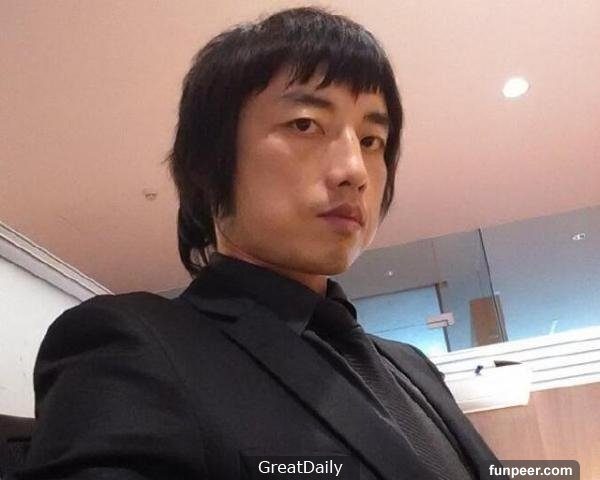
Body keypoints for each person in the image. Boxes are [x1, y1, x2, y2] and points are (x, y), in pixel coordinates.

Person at [17, 7, 506, 480]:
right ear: (207, 162)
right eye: (304, 125)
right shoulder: (129, 343)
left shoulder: (413, 367)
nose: (354, 171)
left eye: (372, 140)